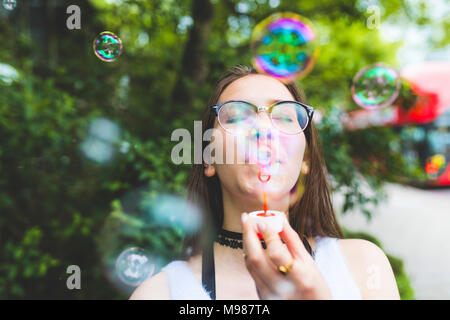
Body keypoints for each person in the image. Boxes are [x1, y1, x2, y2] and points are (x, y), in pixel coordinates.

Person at [130, 65, 400, 300]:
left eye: (284, 116)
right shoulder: (159, 294)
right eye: (236, 116)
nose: (263, 130)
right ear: (208, 158)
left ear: (305, 158)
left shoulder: (364, 266)